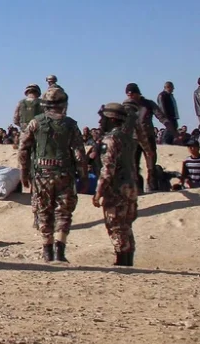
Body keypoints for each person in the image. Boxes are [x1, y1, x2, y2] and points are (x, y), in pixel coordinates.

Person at [18, 87, 86, 263]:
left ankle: (47, 250)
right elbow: (79, 152)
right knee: (63, 212)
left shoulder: (35, 123)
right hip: (65, 174)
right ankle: (60, 250)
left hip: (41, 175)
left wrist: (23, 172)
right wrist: (83, 173)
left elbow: (23, 149)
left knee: (43, 211)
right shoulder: (71, 124)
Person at [93, 103, 140, 266]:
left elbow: (108, 168)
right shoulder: (128, 139)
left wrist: (99, 192)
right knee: (127, 225)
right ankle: (128, 260)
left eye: (103, 118)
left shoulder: (110, 140)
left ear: (112, 119)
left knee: (116, 226)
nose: (100, 122)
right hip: (130, 187)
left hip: (116, 189)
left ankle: (122, 261)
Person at [124, 83, 170, 191]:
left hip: (148, 138)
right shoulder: (126, 106)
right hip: (133, 139)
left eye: (132, 94)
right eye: (128, 95)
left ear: (137, 93)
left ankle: (152, 187)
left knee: (151, 165)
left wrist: (171, 129)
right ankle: (138, 188)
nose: (130, 97)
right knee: (134, 166)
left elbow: (161, 116)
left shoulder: (148, 104)